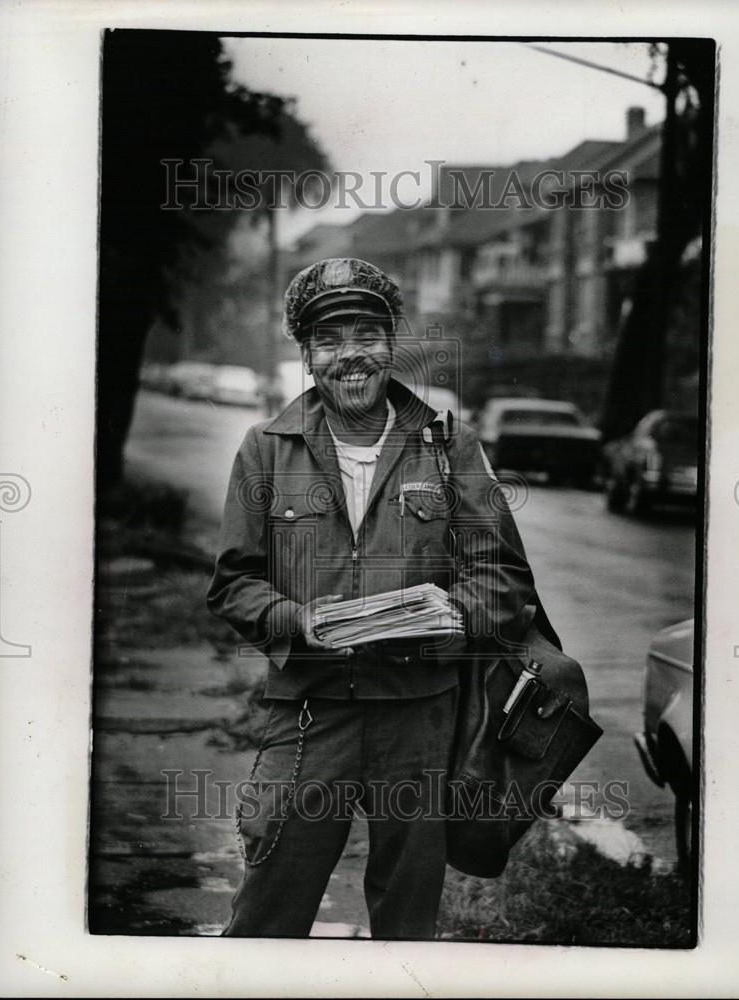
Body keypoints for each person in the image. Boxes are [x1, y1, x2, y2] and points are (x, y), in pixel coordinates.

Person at [207, 257, 547, 939]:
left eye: (365, 334)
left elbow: (503, 579)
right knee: (269, 909)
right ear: (306, 355)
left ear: (391, 343)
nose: (349, 355)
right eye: (329, 341)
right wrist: (296, 621)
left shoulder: (449, 447)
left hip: (420, 718)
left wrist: (449, 617)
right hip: (308, 714)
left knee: (407, 916)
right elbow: (233, 582)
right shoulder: (266, 450)